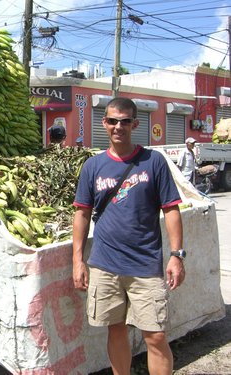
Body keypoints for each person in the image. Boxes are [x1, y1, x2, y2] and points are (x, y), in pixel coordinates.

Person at [72, 97, 185, 375]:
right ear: (104, 123)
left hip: (145, 266)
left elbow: (171, 210)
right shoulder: (93, 166)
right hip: (105, 265)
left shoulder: (153, 161)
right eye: (112, 120)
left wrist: (177, 255)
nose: (118, 126)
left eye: (124, 121)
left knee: (155, 336)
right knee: (116, 330)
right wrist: (78, 260)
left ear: (135, 124)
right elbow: (82, 214)